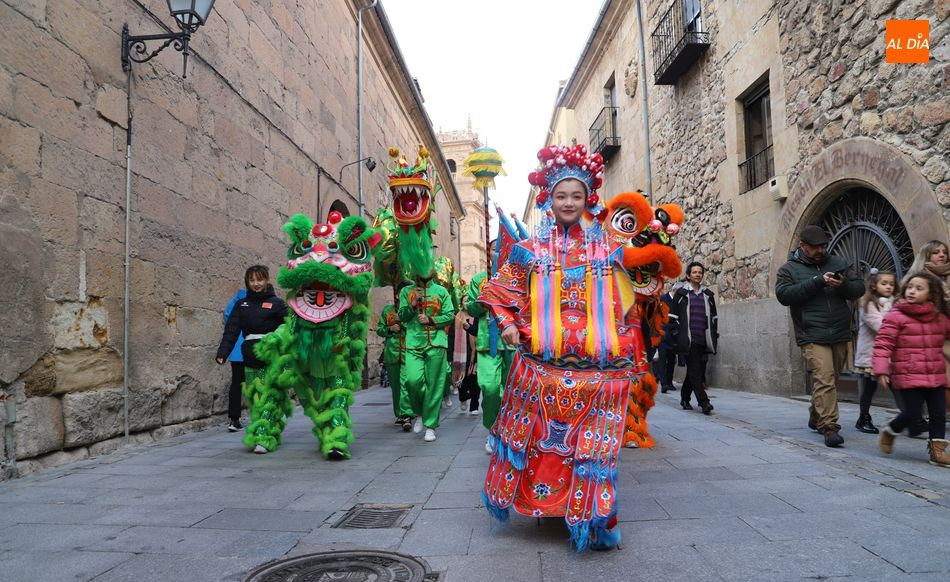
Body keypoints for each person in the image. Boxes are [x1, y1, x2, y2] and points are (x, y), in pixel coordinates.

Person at [479, 144, 682, 551]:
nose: (568, 202)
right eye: (560, 195)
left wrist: (630, 349)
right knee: (545, 447)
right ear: (548, 199)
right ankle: (552, 508)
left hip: (599, 373)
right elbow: (496, 292)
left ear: (587, 198)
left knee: (594, 453)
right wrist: (507, 325)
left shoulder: (608, 249)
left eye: (575, 195)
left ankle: (596, 518)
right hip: (539, 368)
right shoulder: (530, 250)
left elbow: (630, 301)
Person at [775, 225, 864, 448]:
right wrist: (817, 282)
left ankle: (816, 415)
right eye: (815, 247)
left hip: (840, 331)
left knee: (830, 378)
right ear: (803, 246)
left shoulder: (838, 263)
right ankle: (829, 427)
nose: (821, 250)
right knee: (824, 377)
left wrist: (842, 285)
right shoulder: (789, 269)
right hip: (811, 333)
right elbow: (784, 295)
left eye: (823, 246)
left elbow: (858, 288)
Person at [875, 271, 950, 467]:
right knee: (913, 414)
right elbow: (883, 344)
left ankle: (938, 451)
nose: (912, 291)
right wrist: (881, 369)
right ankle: (890, 430)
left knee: (939, 414)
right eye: (909, 287)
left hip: (935, 374)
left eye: (919, 288)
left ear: (931, 294)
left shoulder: (940, 317)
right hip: (908, 374)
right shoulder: (896, 316)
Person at [215, 265, 287, 451]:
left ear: (267, 280)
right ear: (247, 282)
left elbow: (289, 328)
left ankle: (262, 437)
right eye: (252, 280)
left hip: (272, 356)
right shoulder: (242, 305)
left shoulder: (278, 304)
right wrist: (223, 353)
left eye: (260, 279)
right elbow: (231, 330)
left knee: (267, 396)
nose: (256, 284)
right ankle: (272, 422)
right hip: (250, 355)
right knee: (256, 398)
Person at [398, 270, 456, 442]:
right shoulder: (405, 292)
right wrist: (412, 304)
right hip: (414, 342)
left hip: (436, 342)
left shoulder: (441, 291)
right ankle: (420, 412)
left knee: (435, 385)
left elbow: (449, 315)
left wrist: (431, 320)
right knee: (412, 381)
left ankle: (430, 425)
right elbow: (402, 316)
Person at [466, 257, 515, 454]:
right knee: (490, 387)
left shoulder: (514, 276)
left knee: (513, 391)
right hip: (487, 342)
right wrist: (483, 299)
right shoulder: (479, 279)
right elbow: (471, 308)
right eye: (494, 248)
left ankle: (509, 430)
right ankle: (493, 429)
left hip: (513, 343)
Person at [904, 240, 950, 414]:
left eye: (944, 252)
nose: (942, 255)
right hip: (926, 338)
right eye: (936, 252)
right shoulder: (916, 279)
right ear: (927, 255)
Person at [671, 262, 718, 414]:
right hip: (689, 339)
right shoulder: (681, 294)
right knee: (696, 372)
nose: (697, 274)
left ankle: (685, 397)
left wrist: (713, 336)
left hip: (704, 339)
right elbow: (672, 318)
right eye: (694, 272)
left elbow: (714, 319)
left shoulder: (708, 295)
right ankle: (704, 403)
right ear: (688, 275)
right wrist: (679, 336)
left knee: (696, 371)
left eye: (700, 272)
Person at [852, 269, 895, 434]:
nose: (889, 286)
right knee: (869, 387)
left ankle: (912, 418)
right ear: (874, 285)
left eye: (891, 284)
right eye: (884, 283)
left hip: (887, 354)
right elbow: (881, 326)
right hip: (871, 354)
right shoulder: (868, 304)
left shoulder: (892, 302)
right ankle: (863, 418)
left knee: (895, 386)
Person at [376, 300, 412, 431]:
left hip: (409, 351)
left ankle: (407, 414)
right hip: (392, 353)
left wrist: (403, 323)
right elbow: (379, 329)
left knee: (406, 382)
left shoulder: (412, 310)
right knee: (396, 386)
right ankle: (400, 414)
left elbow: (418, 328)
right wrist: (390, 329)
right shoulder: (387, 310)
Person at [223, 287, 247, 432]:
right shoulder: (256, 300)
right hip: (254, 349)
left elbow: (227, 318)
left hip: (237, 351)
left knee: (236, 384)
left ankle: (234, 419)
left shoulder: (235, 300)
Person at [654, 281, 682, 394]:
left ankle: (669, 382)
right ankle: (664, 383)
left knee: (671, 359)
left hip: (674, 335)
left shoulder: (680, 301)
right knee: (662, 358)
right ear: (673, 290)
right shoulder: (662, 299)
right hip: (663, 334)